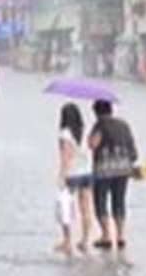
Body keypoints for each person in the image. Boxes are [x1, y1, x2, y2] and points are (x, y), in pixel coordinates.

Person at [88, 100, 138, 251]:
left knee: (101, 200)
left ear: (97, 112)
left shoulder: (100, 125)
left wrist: (91, 136)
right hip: (123, 168)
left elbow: (93, 145)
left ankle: (106, 235)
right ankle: (121, 235)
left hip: (104, 169)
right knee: (119, 200)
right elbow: (132, 149)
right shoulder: (124, 125)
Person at [56, 103, 93, 255]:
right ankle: (84, 240)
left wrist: (61, 176)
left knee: (65, 207)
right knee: (86, 209)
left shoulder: (65, 134)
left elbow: (66, 156)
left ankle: (67, 241)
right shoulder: (85, 132)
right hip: (87, 173)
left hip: (72, 174)